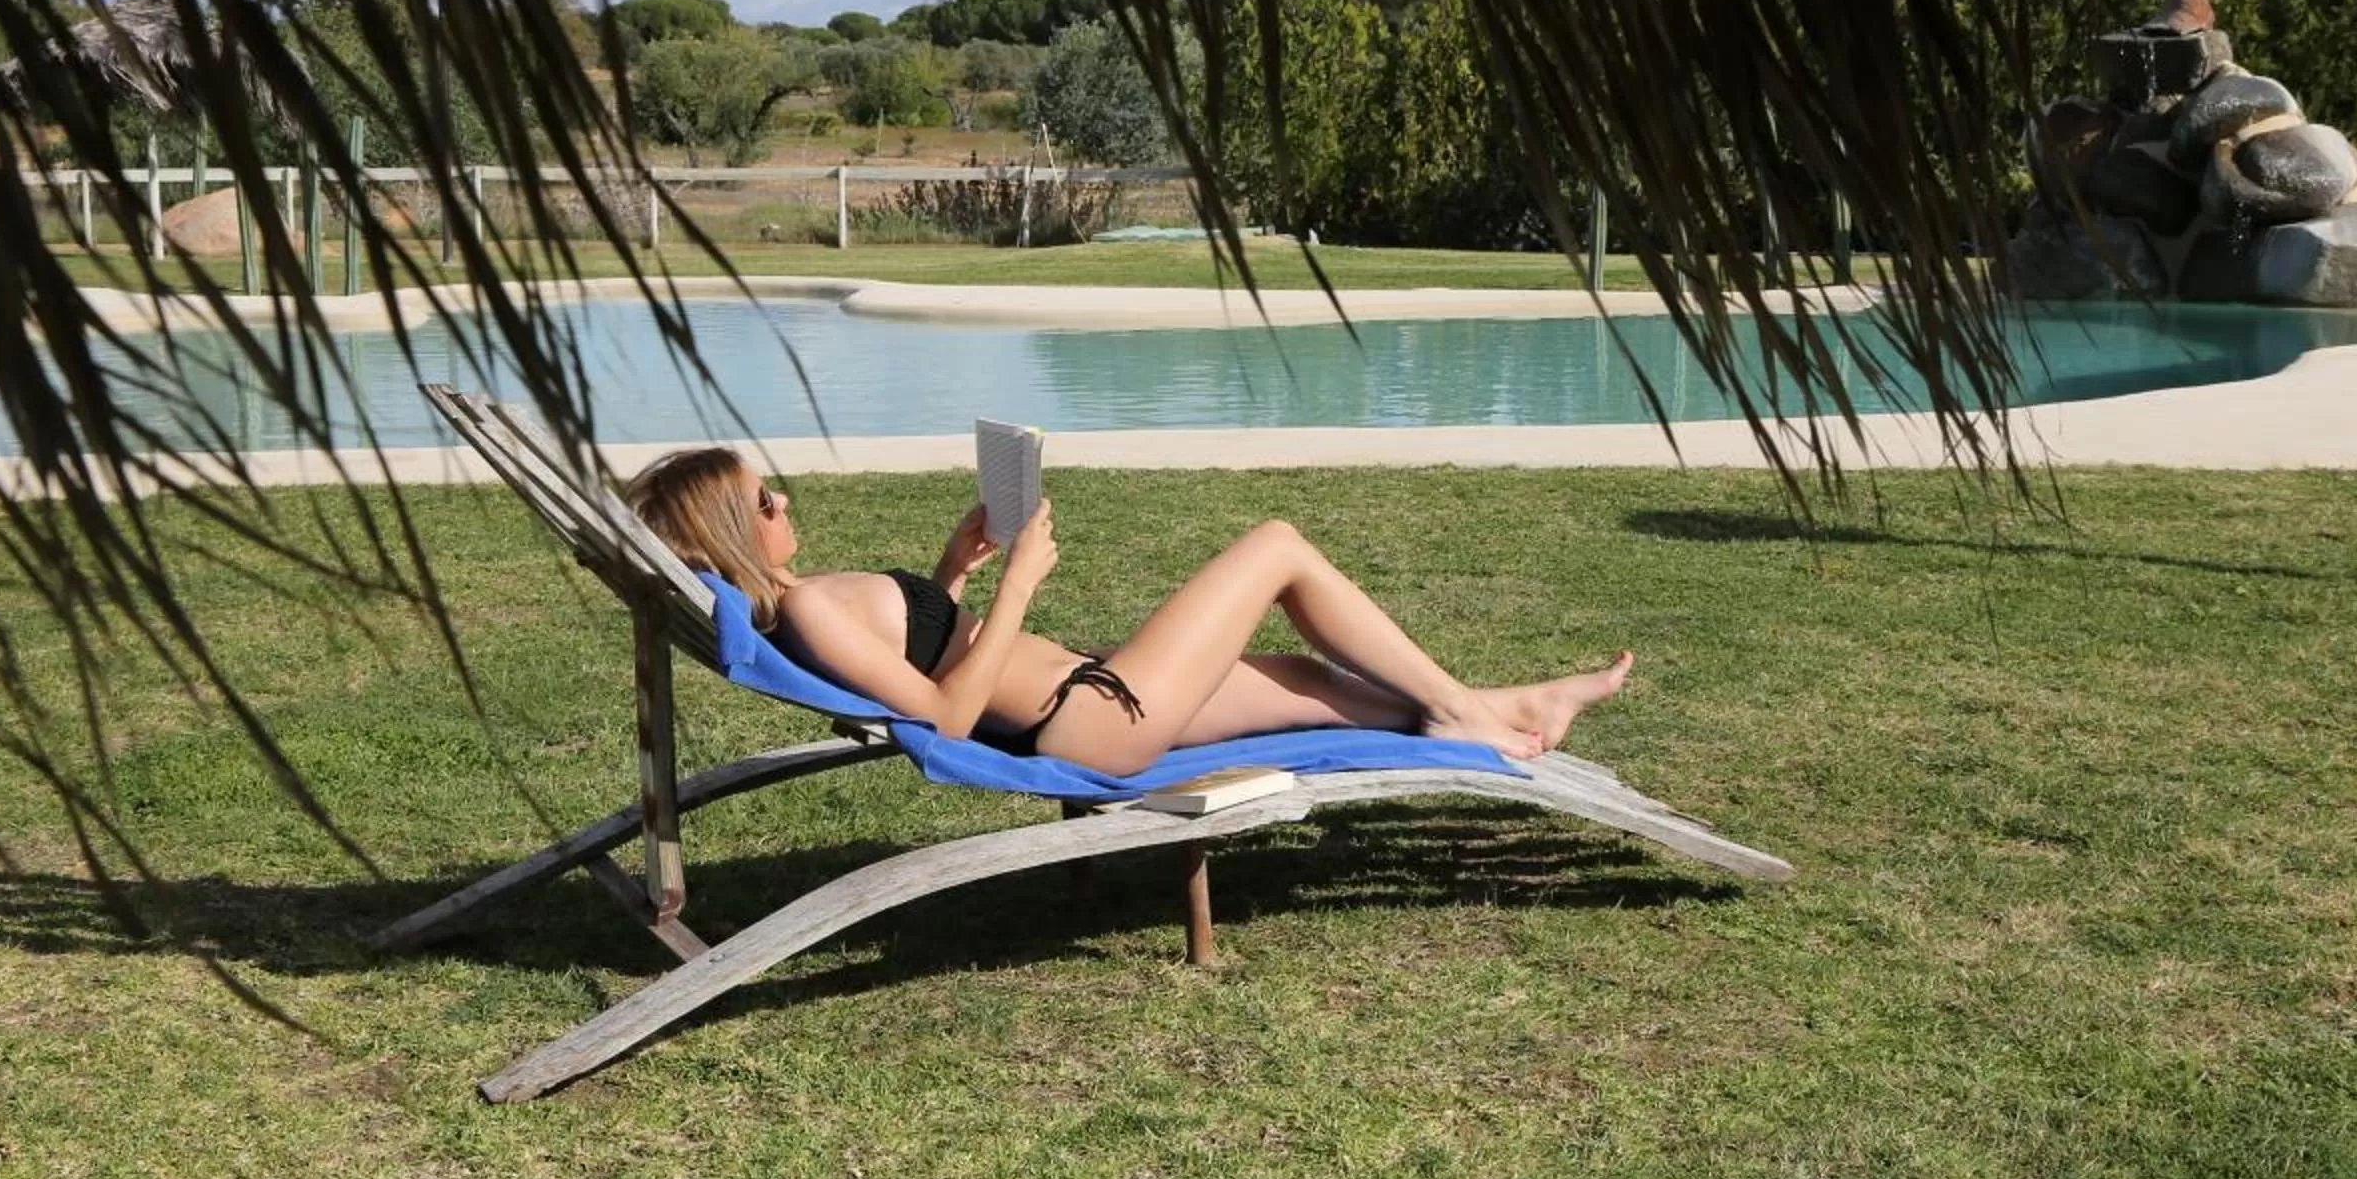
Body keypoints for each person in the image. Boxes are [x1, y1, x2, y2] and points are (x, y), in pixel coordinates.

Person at [623, 446, 1633, 774]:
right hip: (1093, 715)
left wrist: (954, 573)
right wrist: (1018, 586)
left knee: (1318, 684)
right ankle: (1470, 714)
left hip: (1089, 691)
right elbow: (942, 722)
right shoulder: (802, 613)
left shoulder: (808, 604)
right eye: (765, 500)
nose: (785, 500)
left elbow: (923, 668)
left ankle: (1509, 708)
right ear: (731, 531)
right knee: (1276, 545)